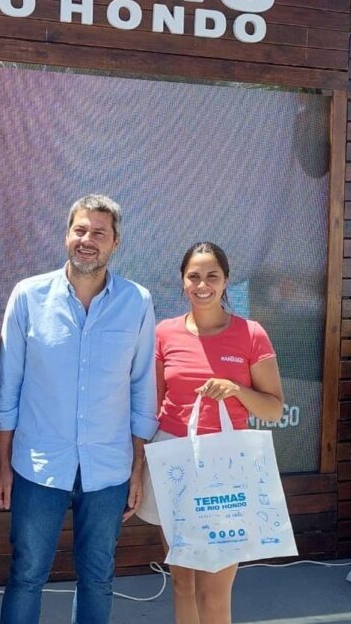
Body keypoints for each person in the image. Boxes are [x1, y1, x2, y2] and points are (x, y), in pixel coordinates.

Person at [0, 194, 158, 624]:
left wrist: (137, 467)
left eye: (99, 232)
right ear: (67, 234)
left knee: (98, 575)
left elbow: (143, 388)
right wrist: (4, 465)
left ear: (115, 243)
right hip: (37, 462)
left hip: (108, 467)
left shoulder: (137, 302)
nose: (88, 240)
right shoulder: (28, 296)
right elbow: (8, 387)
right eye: (80, 229)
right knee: (27, 573)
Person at [137, 242, 284, 624]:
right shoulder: (164, 333)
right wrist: (137, 466)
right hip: (173, 461)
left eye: (212, 276)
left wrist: (237, 389)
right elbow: (152, 408)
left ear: (226, 281)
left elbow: (273, 407)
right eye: (194, 276)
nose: (202, 284)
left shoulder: (251, 334)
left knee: (214, 593)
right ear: (183, 281)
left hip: (226, 466)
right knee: (183, 583)